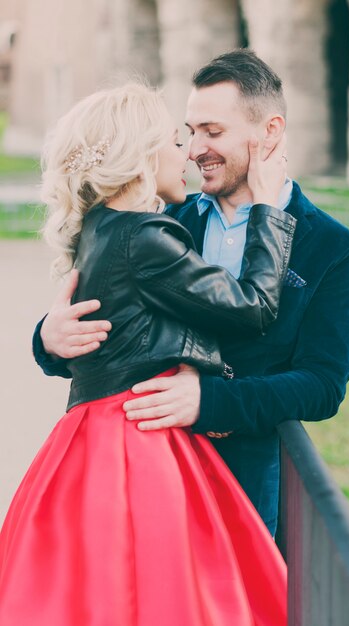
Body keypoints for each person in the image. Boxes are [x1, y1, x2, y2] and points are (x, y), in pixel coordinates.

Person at [33, 49, 349, 538]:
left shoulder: (332, 246)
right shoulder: (160, 222)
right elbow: (111, 329)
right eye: (190, 132)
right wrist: (48, 338)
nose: (193, 149)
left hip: (247, 479)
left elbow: (322, 384)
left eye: (213, 132)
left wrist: (212, 402)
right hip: (145, 470)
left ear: (270, 132)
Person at [0, 81, 293, 624]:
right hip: (136, 436)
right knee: (161, 589)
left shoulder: (97, 228)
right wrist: (269, 210)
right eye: (175, 140)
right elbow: (252, 308)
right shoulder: (147, 235)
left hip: (93, 430)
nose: (187, 153)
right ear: (140, 156)